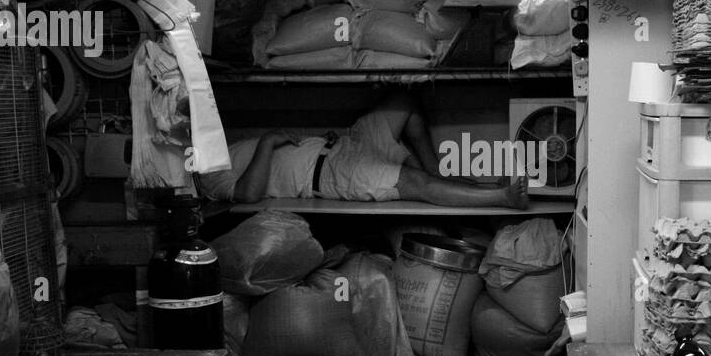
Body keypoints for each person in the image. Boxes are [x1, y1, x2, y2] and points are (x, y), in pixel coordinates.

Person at [196, 93, 529, 209]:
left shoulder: (223, 150)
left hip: (341, 145)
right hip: (332, 174)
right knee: (415, 184)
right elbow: (248, 194)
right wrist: (268, 141)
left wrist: (316, 140)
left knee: (404, 103)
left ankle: (437, 174)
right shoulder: (208, 179)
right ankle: (502, 198)